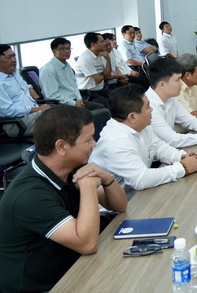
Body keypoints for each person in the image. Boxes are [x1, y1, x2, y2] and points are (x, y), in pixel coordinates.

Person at [0, 106, 127, 292]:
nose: (95, 144)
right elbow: (87, 244)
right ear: (61, 147)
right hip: (44, 286)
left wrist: (106, 178)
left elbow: (120, 205)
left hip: (71, 265)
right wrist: (88, 187)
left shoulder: (69, 168)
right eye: (88, 139)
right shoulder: (30, 195)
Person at [89, 85, 197, 200]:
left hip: (141, 195)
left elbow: (158, 147)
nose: (152, 110)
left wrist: (181, 156)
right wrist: (183, 167)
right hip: (117, 211)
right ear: (132, 117)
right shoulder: (117, 141)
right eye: (148, 106)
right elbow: (141, 180)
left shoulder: (141, 125)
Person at [146, 58, 197, 148]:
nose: (181, 84)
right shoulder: (149, 106)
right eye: (177, 80)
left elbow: (190, 121)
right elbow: (173, 140)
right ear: (162, 85)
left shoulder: (171, 98)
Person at [40, 38, 107, 112]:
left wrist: (79, 100)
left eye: (68, 48)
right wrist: (74, 103)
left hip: (75, 101)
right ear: (54, 51)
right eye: (62, 49)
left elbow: (74, 85)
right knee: (97, 112)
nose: (67, 51)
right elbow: (52, 95)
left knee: (102, 108)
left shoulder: (66, 65)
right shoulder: (48, 70)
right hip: (61, 105)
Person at [0, 44, 50, 136]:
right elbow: (6, 111)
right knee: (59, 118)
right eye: (9, 57)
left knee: (65, 113)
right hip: (17, 124)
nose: (14, 60)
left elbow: (23, 85)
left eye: (14, 56)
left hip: (32, 116)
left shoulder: (15, 73)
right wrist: (36, 109)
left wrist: (30, 88)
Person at [74, 32, 112, 107]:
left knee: (119, 97)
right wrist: (103, 75)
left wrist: (108, 59)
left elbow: (108, 76)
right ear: (93, 44)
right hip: (88, 93)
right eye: (101, 42)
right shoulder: (85, 58)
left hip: (100, 90)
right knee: (107, 105)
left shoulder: (100, 54)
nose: (104, 44)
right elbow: (97, 80)